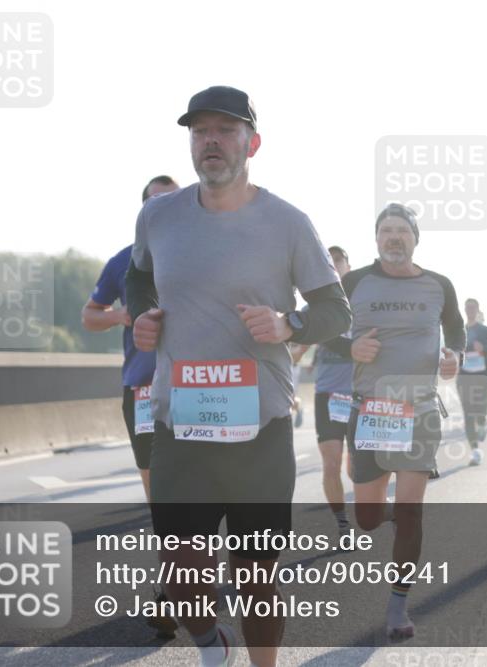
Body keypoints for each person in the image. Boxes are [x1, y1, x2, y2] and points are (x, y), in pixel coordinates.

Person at [125, 86, 351, 667]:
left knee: (255, 578)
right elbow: (136, 279)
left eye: (224, 130)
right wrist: (143, 316)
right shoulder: (158, 216)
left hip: (261, 428)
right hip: (182, 424)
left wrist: (288, 323)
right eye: (199, 132)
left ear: (252, 142)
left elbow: (335, 312)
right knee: (180, 575)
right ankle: (210, 645)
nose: (210, 142)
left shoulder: (288, 222)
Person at [329, 202, 465, 641]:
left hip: (420, 410)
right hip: (369, 410)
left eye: (401, 229)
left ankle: (397, 605)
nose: (393, 236)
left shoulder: (439, 284)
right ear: (376, 239)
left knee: (410, 511)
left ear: (415, 237)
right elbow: (323, 329)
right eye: (386, 229)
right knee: (368, 518)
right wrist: (348, 348)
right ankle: (387, 517)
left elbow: (456, 330)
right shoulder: (354, 282)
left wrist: (454, 357)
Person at [81, 174, 179, 640]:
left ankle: (185, 580)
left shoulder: (205, 249)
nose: (162, 210)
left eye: (170, 201)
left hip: (201, 385)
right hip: (142, 388)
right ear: (142, 213)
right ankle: (173, 587)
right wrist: (121, 314)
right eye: (153, 204)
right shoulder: (124, 261)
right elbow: (89, 315)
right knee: (160, 493)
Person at [301, 246, 355, 540]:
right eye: (328, 261)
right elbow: (294, 346)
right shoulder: (317, 306)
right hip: (328, 394)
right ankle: (343, 523)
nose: (333, 265)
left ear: (348, 265)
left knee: (357, 468)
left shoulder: (365, 302)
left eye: (338, 260)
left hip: (361, 395)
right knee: (331, 462)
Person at [456, 299, 487, 465]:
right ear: (464, 310)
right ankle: (475, 451)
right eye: (467, 308)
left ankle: (482, 424)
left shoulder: (484, 331)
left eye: (473, 308)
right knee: (468, 414)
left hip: (482, 378)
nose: (470, 310)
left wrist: (484, 349)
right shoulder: (459, 330)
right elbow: (451, 350)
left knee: (480, 411)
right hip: (464, 378)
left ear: (477, 310)